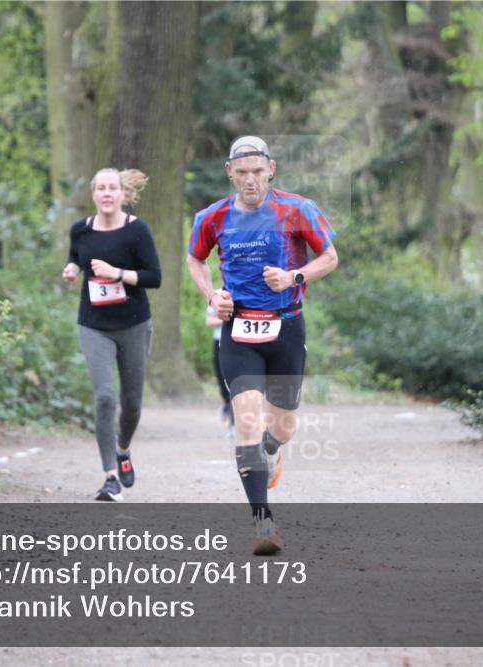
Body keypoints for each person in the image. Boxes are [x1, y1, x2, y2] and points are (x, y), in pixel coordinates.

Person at [186, 136, 339, 554]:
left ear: (271, 169)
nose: (250, 179)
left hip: (286, 328)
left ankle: (272, 449)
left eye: (257, 171)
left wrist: (294, 277)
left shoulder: (298, 209)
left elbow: (330, 257)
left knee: (283, 427)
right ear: (229, 173)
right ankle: (262, 524)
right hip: (238, 331)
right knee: (247, 420)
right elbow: (195, 258)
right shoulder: (212, 217)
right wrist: (211, 296)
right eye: (242, 172)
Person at [63, 168, 161, 501]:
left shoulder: (137, 230)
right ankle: (110, 477)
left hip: (134, 324)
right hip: (93, 325)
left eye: (112, 188)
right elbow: (76, 256)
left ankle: (123, 449)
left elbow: (154, 277)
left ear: (122, 193)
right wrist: (72, 269)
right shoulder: (81, 230)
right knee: (105, 397)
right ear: (94, 194)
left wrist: (117, 273)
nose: (106, 193)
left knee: (131, 404)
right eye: (101, 188)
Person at [205, 303, 234, 432]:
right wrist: (227, 319)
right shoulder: (218, 296)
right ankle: (226, 402)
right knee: (221, 376)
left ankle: (235, 419)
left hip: (239, 341)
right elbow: (208, 321)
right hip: (219, 340)